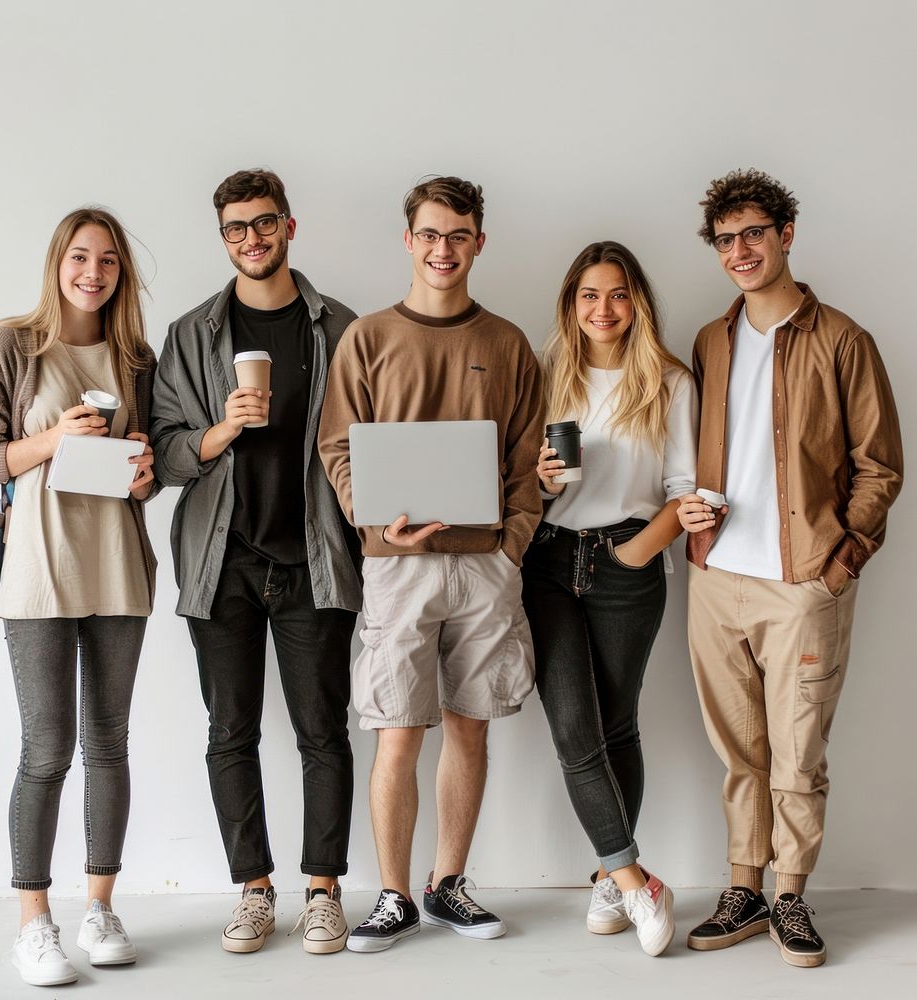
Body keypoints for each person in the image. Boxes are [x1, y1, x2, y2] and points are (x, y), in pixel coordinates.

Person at [678, 169, 902, 967]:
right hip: (716, 580)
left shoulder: (843, 339)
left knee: (797, 751)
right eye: (726, 239)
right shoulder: (712, 339)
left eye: (754, 235)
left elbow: (881, 467)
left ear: (786, 236)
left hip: (803, 582)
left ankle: (791, 897)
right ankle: (742, 888)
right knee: (740, 749)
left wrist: (839, 563)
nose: (740, 251)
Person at [318, 175, 544, 952]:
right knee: (396, 733)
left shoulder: (508, 342)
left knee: (469, 730)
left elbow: (526, 457)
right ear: (408, 241)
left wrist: (511, 544)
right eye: (430, 235)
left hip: (485, 568)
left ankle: (448, 887)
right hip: (397, 567)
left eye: (458, 235)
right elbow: (338, 447)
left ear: (478, 242)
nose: (443, 250)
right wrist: (376, 522)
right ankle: (391, 896)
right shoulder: (369, 338)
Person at [150, 169, 361, 956]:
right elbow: (166, 455)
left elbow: (367, 441)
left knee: (321, 730)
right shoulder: (191, 333)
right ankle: (253, 888)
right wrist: (221, 430)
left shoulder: (339, 326)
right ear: (224, 237)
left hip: (314, 559)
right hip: (222, 561)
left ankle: (322, 890)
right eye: (236, 228)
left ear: (290, 227)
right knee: (229, 731)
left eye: (264, 223)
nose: (252, 238)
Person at [0, 208, 158, 987]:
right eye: (79, 256)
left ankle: (101, 907)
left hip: (116, 566)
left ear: (121, 273)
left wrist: (147, 476)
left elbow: (152, 460)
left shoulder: (135, 355)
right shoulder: (14, 343)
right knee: (46, 750)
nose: (93, 272)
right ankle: (34, 923)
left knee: (110, 742)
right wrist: (50, 444)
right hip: (38, 570)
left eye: (107, 260)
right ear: (57, 262)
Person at [522, 241, 695, 957]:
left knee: (617, 726)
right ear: (571, 304)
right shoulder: (545, 375)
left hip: (630, 558)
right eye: (589, 295)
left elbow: (684, 491)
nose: (603, 309)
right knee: (573, 730)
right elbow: (516, 485)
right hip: (551, 562)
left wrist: (633, 551)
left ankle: (604, 872)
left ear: (637, 303)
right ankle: (636, 881)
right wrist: (539, 480)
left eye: (618, 294)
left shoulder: (670, 381)